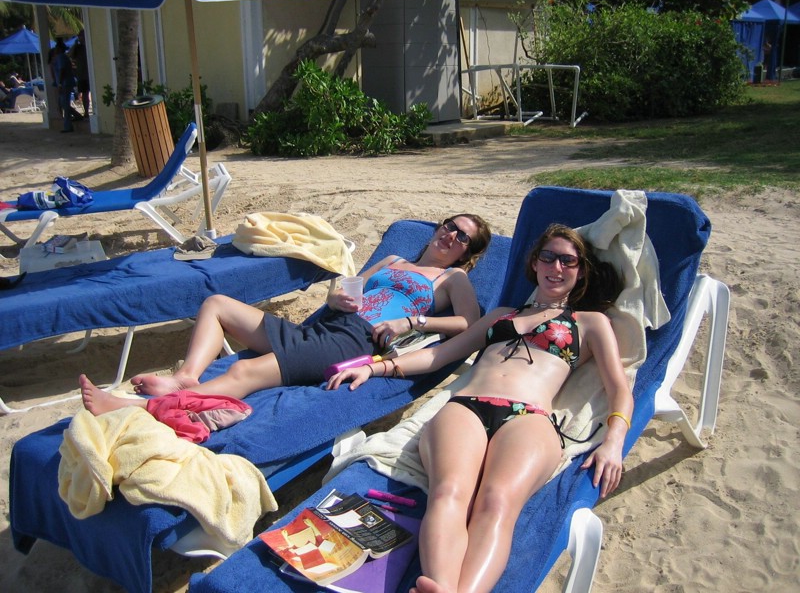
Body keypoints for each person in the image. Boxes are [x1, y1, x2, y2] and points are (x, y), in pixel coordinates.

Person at [327, 223, 632, 593]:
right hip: (466, 408)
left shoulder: (591, 323)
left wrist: (614, 441)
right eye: (548, 257)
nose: (557, 267)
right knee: (448, 492)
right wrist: (375, 367)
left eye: (568, 261)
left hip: (530, 417)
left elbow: (619, 388)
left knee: (497, 503)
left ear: (580, 271)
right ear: (535, 263)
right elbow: (441, 353)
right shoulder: (500, 315)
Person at [80, 214, 493, 415]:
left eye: (462, 237)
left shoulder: (451, 278)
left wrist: (412, 322)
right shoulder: (393, 259)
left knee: (244, 371)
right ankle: (187, 376)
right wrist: (336, 299)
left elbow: (469, 325)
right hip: (324, 327)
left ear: (467, 254)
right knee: (216, 304)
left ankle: (141, 409)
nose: (450, 235)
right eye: (449, 225)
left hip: (355, 342)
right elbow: (346, 288)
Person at [69, 30, 91, 116]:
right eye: (79, 36)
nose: (80, 38)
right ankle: (86, 112)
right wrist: (75, 44)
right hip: (82, 75)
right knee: (85, 94)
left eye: (82, 36)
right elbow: (69, 55)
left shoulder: (90, 45)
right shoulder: (77, 48)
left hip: (90, 74)